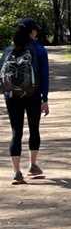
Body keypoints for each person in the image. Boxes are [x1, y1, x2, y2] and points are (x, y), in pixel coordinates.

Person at [1, 18, 49, 184]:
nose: (37, 32)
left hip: (12, 96)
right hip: (33, 95)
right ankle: (33, 165)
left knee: (16, 131)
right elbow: (44, 76)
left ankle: (16, 173)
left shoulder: (8, 50)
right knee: (34, 129)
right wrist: (45, 98)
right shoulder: (39, 50)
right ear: (32, 32)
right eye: (36, 30)